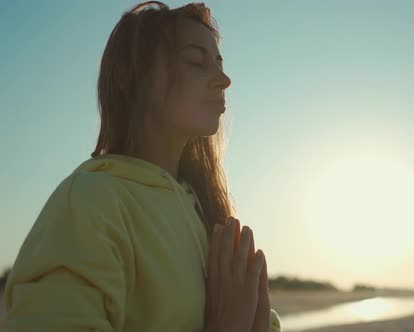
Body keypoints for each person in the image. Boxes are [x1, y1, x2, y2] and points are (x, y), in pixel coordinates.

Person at [1, 1, 281, 331]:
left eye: (219, 63)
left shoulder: (205, 214)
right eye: (195, 61)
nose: (224, 80)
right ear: (136, 78)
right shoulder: (91, 202)